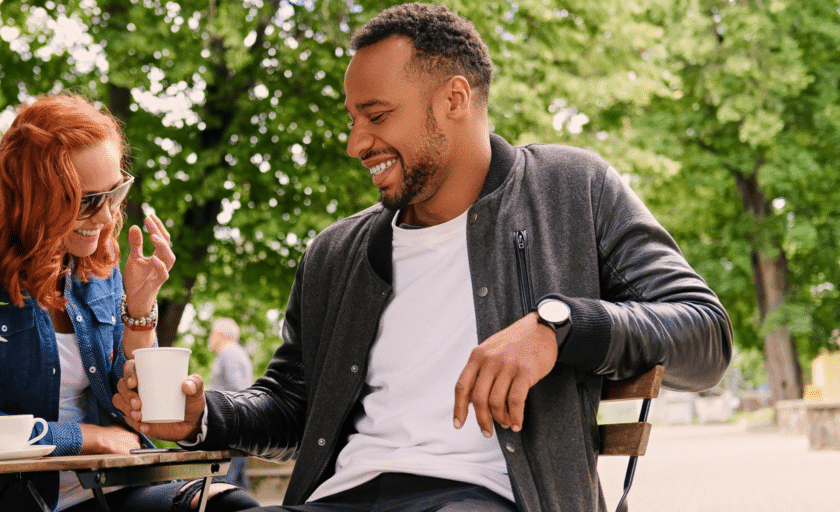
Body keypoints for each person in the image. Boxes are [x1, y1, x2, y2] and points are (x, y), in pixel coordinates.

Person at [113, 3, 734, 511]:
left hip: (481, 499)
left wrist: (558, 325)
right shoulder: (336, 254)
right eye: (353, 118)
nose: (357, 143)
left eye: (377, 116)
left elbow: (706, 335)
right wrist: (202, 416)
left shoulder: (572, 190)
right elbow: (293, 408)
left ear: (454, 99)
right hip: (341, 497)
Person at [0, 93, 258, 512]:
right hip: (14, 500)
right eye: (85, 201)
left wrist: (140, 309)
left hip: (111, 489)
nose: (105, 217)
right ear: (32, 195)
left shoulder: (96, 264)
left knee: (231, 506)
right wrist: (90, 437)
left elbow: (141, 411)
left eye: (114, 193)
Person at [207, 318, 254, 489]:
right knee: (239, 483)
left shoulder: (229, 354)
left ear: (220, 334)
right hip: (238, 427)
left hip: (230, 427)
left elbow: (239, 389)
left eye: (212, 333)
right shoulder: (238, 353)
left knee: (225, 481)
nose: (210, 337)